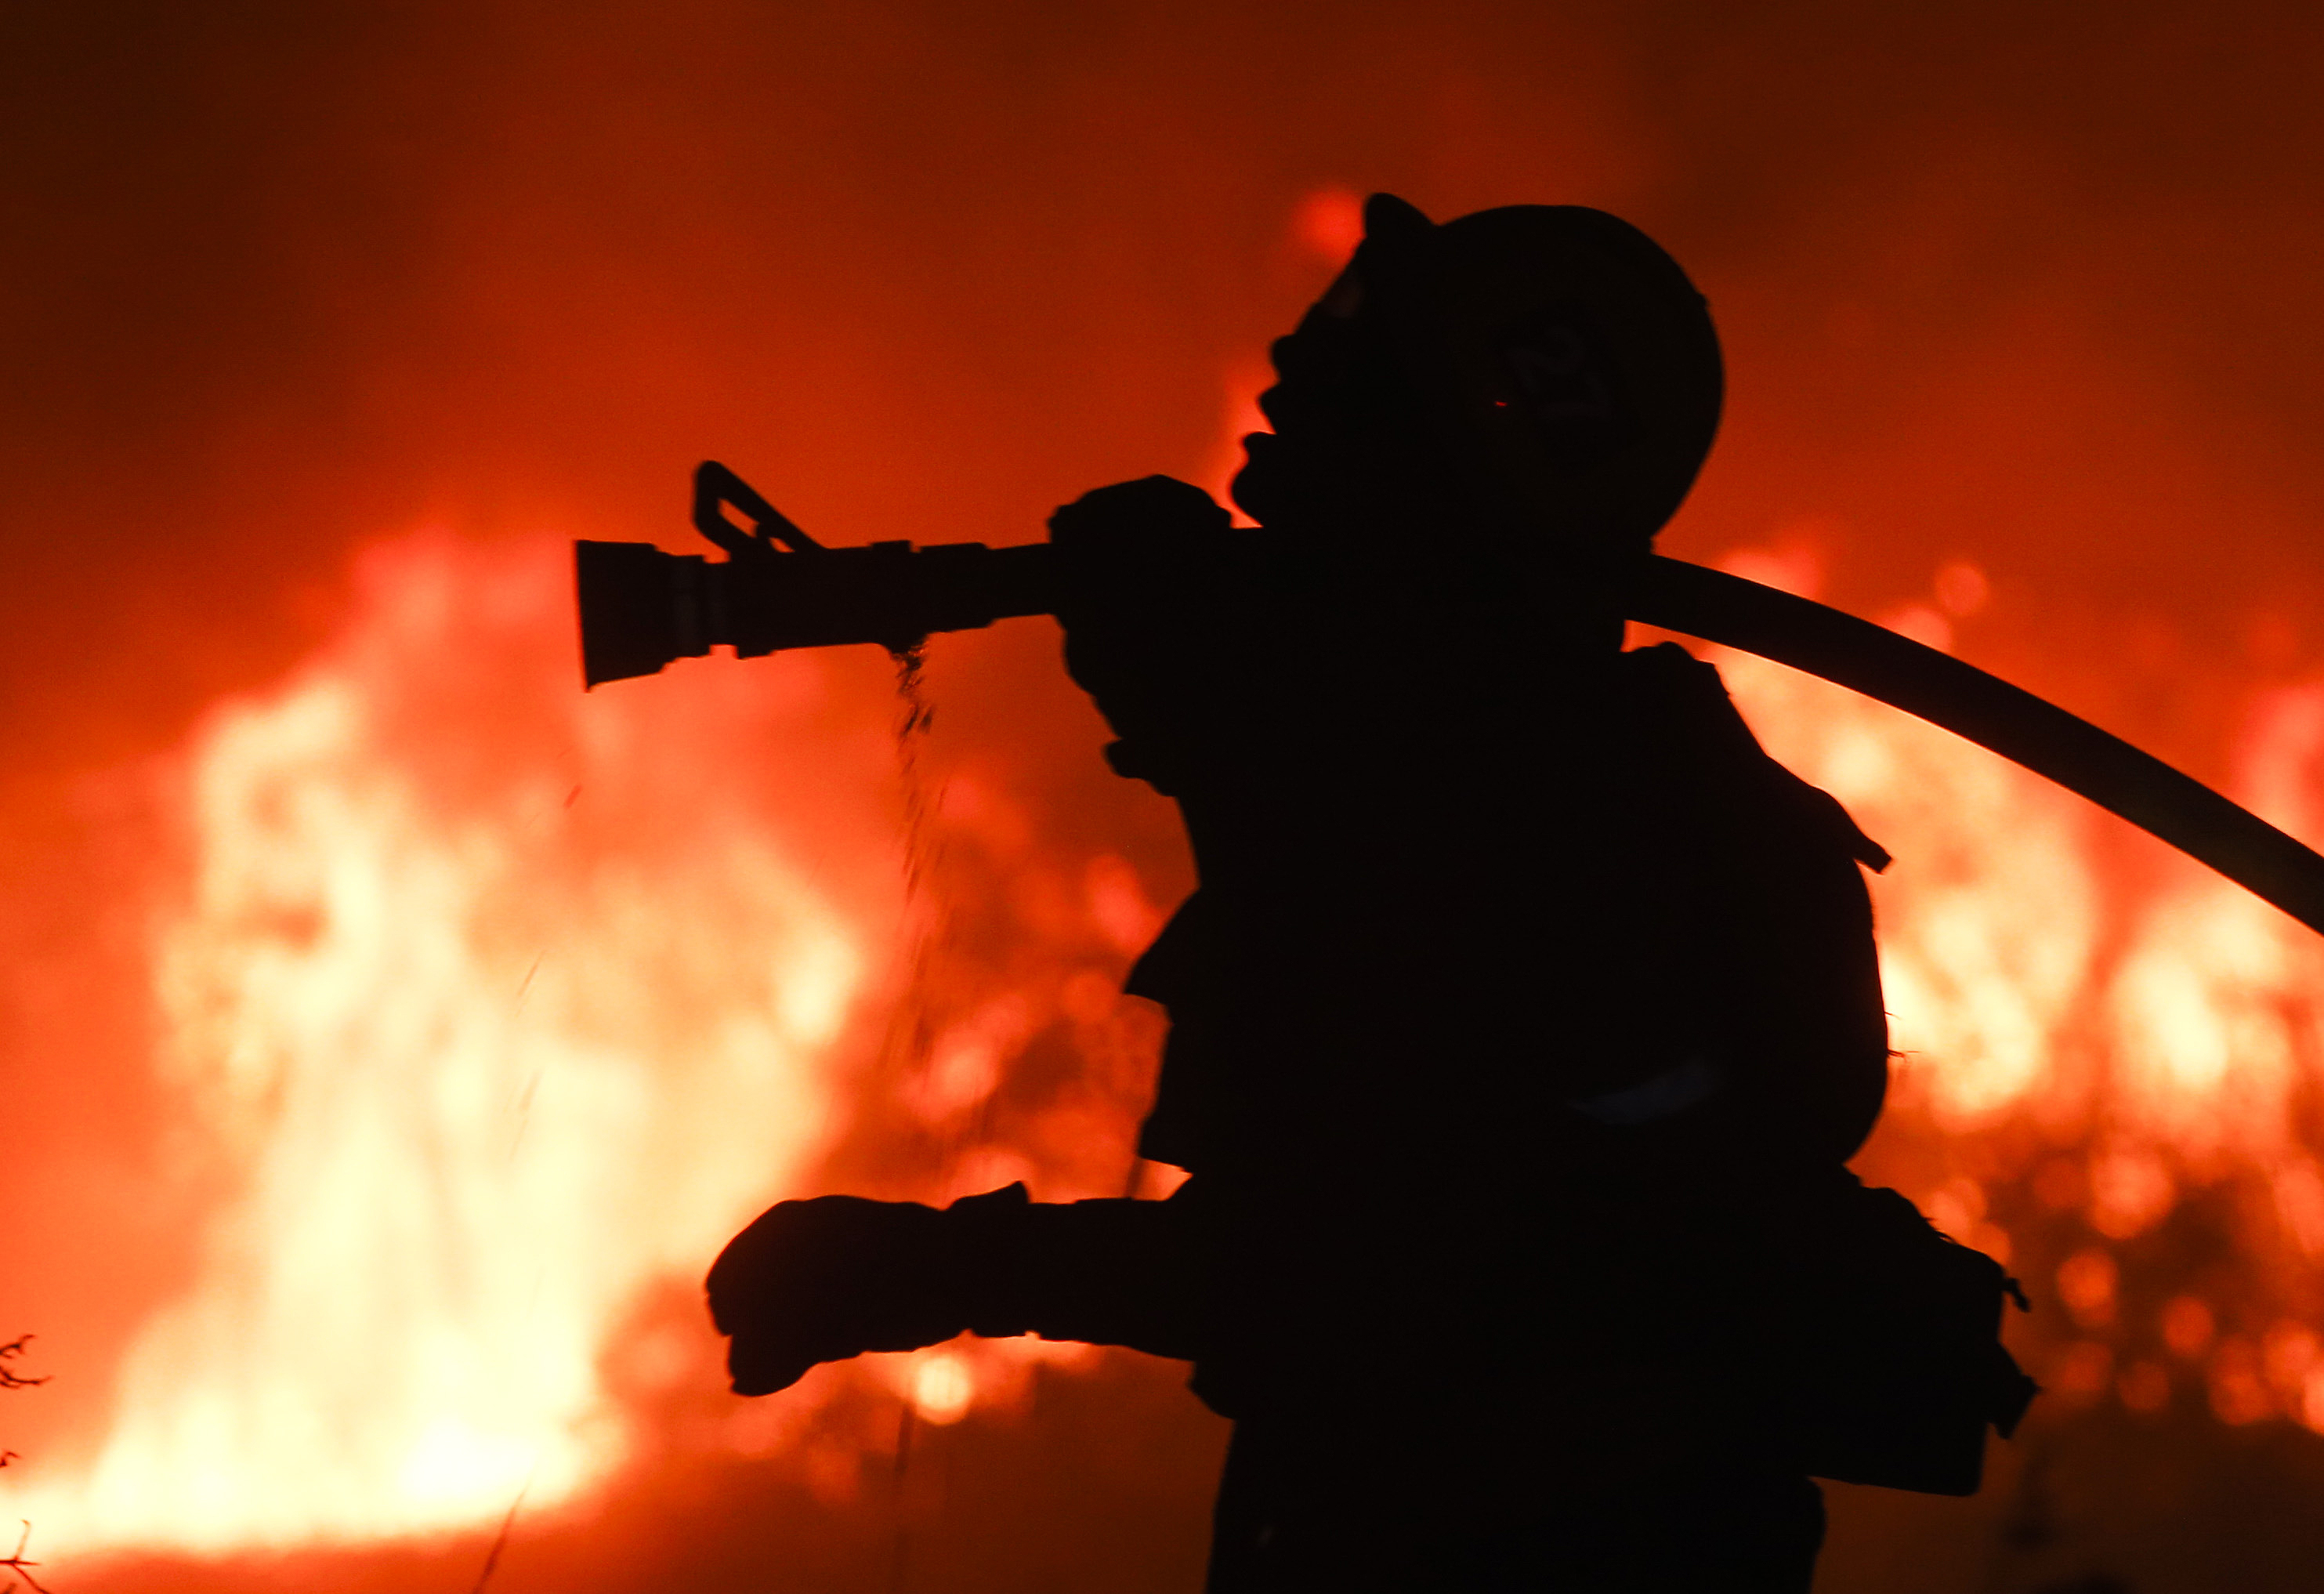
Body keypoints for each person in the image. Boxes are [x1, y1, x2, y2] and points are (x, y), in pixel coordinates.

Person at [706, 195, 2023, 1592]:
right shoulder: (1472, 784)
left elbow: (1359, 1270)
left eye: (1319, 448)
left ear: (1435, 484)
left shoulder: (1537, 831)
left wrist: (939, 1269)